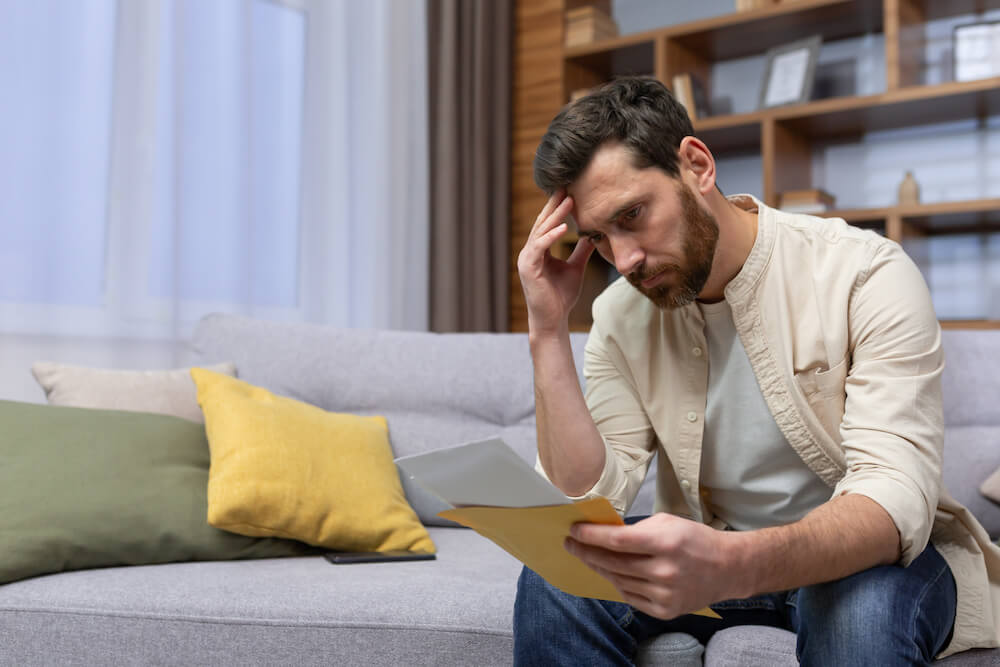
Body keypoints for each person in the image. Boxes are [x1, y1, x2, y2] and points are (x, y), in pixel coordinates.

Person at [513, 75, 1000, 666]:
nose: (625, 261)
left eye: (633, 215)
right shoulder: (619, 315)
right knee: (555, 579)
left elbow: (892, 497)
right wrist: (546, 329)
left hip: (857, 563)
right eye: (599, 238)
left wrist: (729, 566)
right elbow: (588, 500)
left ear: (696, 165)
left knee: (861, 616)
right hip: (710, 558)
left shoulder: (865, 273)